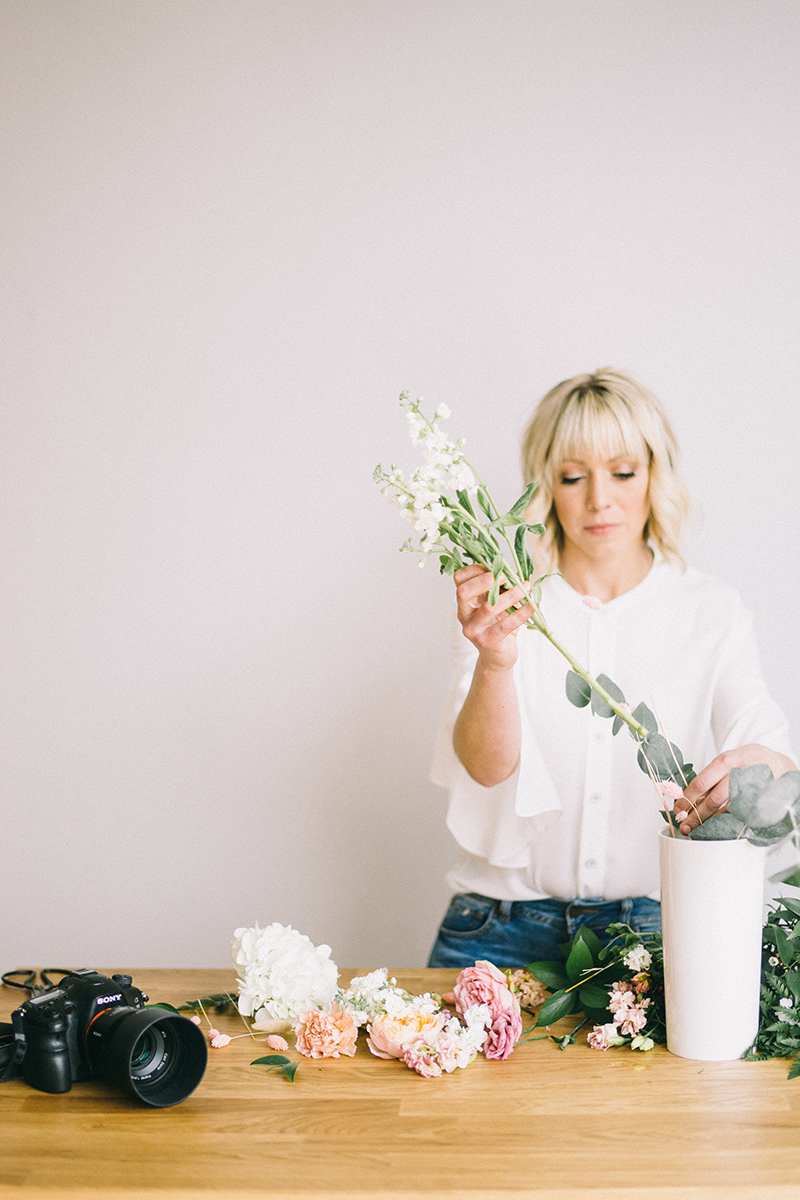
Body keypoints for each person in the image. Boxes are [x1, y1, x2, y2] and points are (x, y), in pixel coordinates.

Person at [427, 368, 795, 969]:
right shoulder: (503, 604)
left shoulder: (713, 613)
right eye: (573, 477)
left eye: (623, 472)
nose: (600, 500)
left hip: (653, 934)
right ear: (544, 484)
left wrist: (760, 768)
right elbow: (485, 769)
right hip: (498, 929)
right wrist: (496, 662)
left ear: (654, 473)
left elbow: (772, 754)